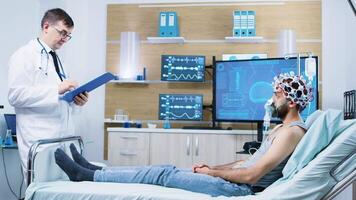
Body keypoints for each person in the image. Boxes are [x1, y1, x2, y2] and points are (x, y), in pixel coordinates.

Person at [55, 73, 313, 197]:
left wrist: (211, 174)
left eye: (277, 95)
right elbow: (246, 163)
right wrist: (211, 166)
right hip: (234, 180)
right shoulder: (279, 129)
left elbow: (251, 175)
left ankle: (85, 175)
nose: (271, 99)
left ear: (292, 102)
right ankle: (91, 170)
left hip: (239, 189)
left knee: (162, 175)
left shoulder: (292, 132)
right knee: (164, 169)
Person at [8, 8, 89, 177]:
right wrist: (56, 89)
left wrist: (76, 101)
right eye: (62, 33)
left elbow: (59, 100)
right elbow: (15, 96)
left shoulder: (57, 60)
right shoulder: (24, 55)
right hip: (39, 140)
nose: (65, 39)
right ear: (46, 27)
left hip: (62, 140)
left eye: (68, 35)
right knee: (42, 190)